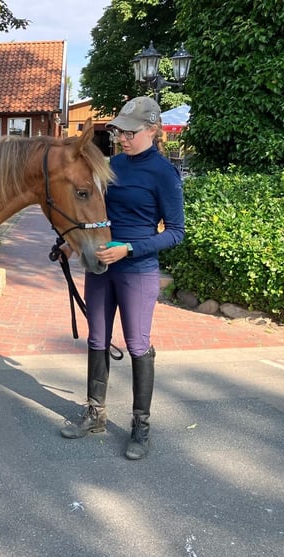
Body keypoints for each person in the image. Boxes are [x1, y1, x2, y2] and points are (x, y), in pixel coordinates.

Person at [60, 96, 185, 460]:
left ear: (152, 131)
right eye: (119, 131)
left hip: (136, 270)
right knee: (97, 338)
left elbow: (176, 232)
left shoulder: (163, 173)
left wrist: (128, 249)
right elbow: (93, 213)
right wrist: (73, 243)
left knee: (136, 344)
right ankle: (95, 414)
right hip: (100, 266)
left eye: (130, 132)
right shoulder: (111, 166)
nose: (122, 138)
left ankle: (140, 426)